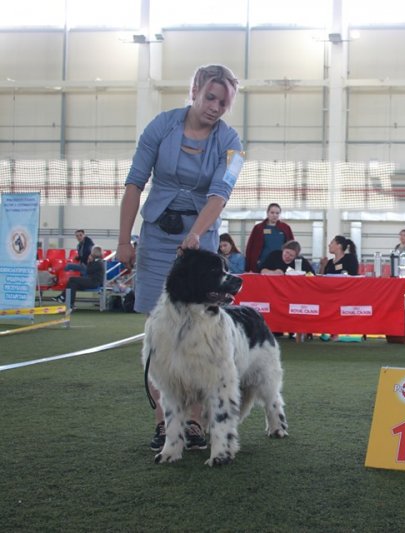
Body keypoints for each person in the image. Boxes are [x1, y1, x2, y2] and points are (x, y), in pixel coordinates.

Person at [116, 64, 241, 453]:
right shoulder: (160, 126)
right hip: (156, 238)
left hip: (200, 243)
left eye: (224, 103)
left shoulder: (232, 142)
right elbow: (135, 182)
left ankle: (196, 423)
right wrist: (124, 240)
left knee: (200, 333)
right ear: (195, 90)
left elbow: (220, 193)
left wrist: (196, 234)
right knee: (159, 333)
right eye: (210, 97)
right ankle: (164, 422)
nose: (215, 107)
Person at [245, 203, 295, 272]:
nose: (275, 215)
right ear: (267, 213)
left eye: (277, 213)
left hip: (280, 264)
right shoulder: (258, 228)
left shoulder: (286, 228)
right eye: (272, 213)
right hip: (262, 263)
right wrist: (249, 265)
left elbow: (292, 247)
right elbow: (250, 247)